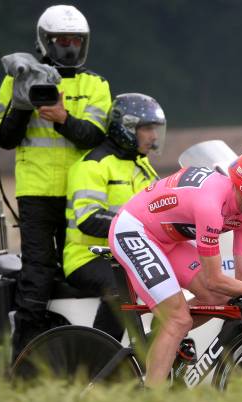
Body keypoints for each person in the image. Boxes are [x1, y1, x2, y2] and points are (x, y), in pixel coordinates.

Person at [110, 147, 242, 388]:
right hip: (134, 230)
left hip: (170, 240)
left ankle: (162, 338)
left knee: (219, 297)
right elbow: (215, 278)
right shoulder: (210, 206)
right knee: (179, 320)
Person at [0, 5, 112, 357]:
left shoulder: (96, 85)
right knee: (38, 274)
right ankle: (23, 357)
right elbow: (5, 138)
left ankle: (82, 348)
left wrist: (62, 117)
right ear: (45, 41)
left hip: (81, 195)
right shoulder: (15, 81)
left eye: (76, 40)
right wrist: (22, 103)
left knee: (82, 271)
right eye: (62, 40)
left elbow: (94, 137)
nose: (70, 47)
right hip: (37, 193)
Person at [63, 93, 164, 340]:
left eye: (155, 129)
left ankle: (159, 350)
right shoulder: (92, 165)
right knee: (122, 286)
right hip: (86, 257)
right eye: (147, 128)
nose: (154, 136)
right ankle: (100, 360)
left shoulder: (141, 164)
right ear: (126, 128)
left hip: (128, 252)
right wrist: (139, 227)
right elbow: (89, 219)